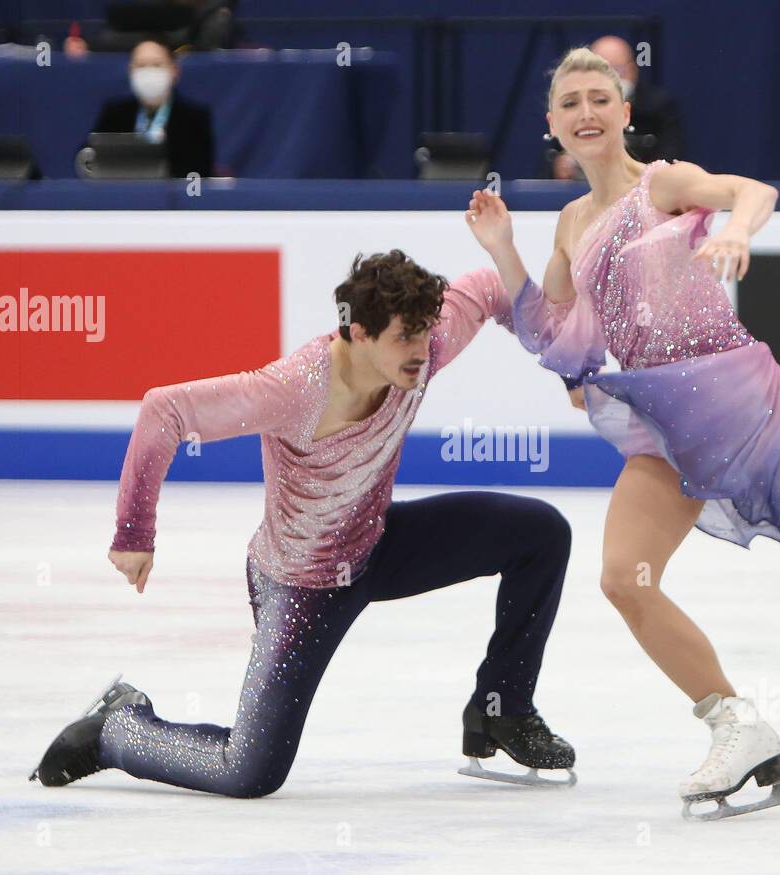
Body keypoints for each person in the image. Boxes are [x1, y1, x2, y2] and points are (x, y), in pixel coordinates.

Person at [465, 47, 780, 819]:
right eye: (570, 103)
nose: (586, 112)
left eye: (599, 98)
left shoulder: (663, 182)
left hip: (744, 399)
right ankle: (735, 722)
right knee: (625, 577)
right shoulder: (568, 223)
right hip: (664, 415)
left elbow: (750, 190)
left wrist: (739, 232)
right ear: (551, 124)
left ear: (624, 113)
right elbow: (549, 329)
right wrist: (503, 253)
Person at [29, 251, 577, 797]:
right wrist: (134, 534)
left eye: (424, 334)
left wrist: (559, 353)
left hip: (378, 545)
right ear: (358, 332)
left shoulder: (425, 348)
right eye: (404, 338)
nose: (421, 352)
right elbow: (163, 411)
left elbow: (486, 286)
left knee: (540, 534)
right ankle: (118, 729)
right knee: (249, 772)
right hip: (300, 587)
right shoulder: (295, 388)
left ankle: (500, 709)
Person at [88, 37, 215, 178]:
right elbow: (88, 157)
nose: (148, 72)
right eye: (141, 65)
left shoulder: (194, 118)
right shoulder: (115, 113)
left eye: (156, 65)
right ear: (130, 71)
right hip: (122, 196)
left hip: (174, 197)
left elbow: (199, 176)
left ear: (174, 71)